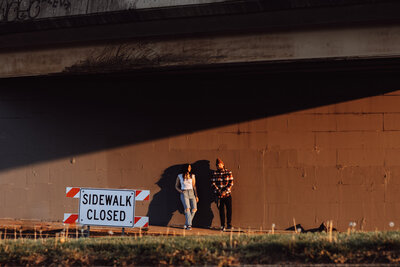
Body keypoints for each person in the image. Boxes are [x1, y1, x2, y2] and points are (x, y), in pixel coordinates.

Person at [211, 158, 234, 231]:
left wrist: (225, 191)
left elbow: (231, 183)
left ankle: (229, 224)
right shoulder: (215, 173)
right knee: (221, 211)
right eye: (217, 165)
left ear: (223, 164)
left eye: (220, 164)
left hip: (227, 194)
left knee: (229, 210)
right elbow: (213, 183)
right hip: (219, 195)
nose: (218, 166)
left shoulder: (228, 172)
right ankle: (222, 225)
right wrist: (219, 191)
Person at [175, 164, 199, 230]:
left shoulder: (192, 176)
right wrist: (180, 191)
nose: (190, 168)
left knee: (194, 209)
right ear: (186, 168)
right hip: (184, 193)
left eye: (190, 167)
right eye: (189, 167)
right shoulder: (180, 176)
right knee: (187, 208)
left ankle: (186, 223)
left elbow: (194, 186)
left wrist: (196, 196)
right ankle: (189, 225)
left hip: (192, 193)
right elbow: (176, 186)